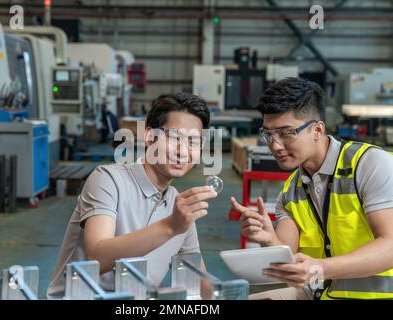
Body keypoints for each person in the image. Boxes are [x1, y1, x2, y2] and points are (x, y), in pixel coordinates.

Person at [231, 77, 393, 300]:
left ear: (317, 130)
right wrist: (267, 238)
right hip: (322, 293)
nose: (275, 145)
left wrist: (320, 268)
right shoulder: (290, 192)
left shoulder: (370, 164)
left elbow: (391, 246)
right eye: (269, 134)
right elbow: (288, 264)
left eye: (286, 133)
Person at [47, 92, 217, 298]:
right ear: (149, 136)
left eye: (193, 142)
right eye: (174, 137)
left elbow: (199, 281)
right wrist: (171, 226)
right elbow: (97, 257)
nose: (183, 151)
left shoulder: (178, 206)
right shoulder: (108, 180)